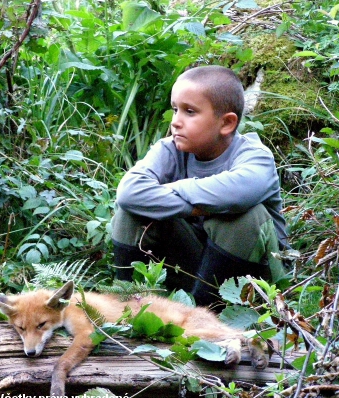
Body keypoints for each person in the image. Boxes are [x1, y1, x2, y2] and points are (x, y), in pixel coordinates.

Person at [111, 65, 289, 306]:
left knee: (243, 215)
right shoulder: (169, 150)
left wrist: (174, 192)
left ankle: (213, 318)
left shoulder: (255, 157)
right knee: (131, 212)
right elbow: (130, 192)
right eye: (175, 110)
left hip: (256, 283)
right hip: (197, 271)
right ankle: (130, 305)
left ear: (226, 123)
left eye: (190, 112)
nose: (176, 122)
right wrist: (195, 207)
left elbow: (236, 194)